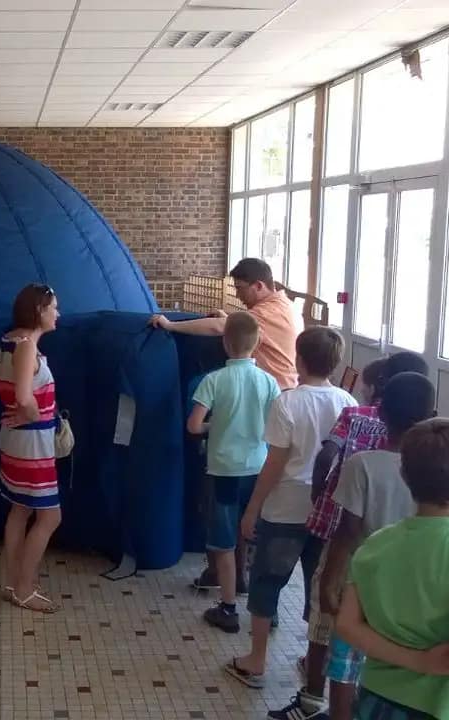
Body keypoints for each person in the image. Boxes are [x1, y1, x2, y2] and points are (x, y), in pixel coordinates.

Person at [280, 353, 431, 719]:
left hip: (356, 575)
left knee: (336, 645)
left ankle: (314, 700)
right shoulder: (430, 468)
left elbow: (347, 532)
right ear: (430, 416)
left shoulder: (362, 465)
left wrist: (330, 579)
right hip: (403, 577)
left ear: (381, 412)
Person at [337, 418, 449, 720]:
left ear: (405, 476)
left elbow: (347, 626)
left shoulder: (375, 545)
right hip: (440, 706)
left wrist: (418, 661)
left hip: (374, 700)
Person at [225, 326, 356, 689]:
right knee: (321, 585)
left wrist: (252, 508)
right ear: (336, 363)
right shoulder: (348, 402)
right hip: (328, 511)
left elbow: (275, 463)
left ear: (299, 360)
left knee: (268, 580)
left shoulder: (288, 403)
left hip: (285, 509)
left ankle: (256, 660)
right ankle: (314, 660)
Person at [185, 311, 281, 633]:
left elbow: (194, 426)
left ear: (225, 343)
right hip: (258, 470)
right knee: (256, 538)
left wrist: (215, 425)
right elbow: (276, 427)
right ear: (258, 343)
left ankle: (228, 608)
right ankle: (266, 609)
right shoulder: (269, 381)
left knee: (224, 543)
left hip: (223, 470)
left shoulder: (213, 380)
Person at [0, 283, 63, 613]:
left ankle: (14, 583)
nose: (58, 313)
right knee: (50, 516)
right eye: (54, 308)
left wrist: (14, 408)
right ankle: (23, 588)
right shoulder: (26, 346)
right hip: (31, 444)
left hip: (16, 440)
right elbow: (23, 396)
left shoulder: (9, 340)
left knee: (19, 510)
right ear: (39, 311)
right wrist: (28, 413)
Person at [148, 258, 301, 389]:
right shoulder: (282, 303)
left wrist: (170, 325)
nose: (238, 295)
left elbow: (217, 328)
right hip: (280, 382)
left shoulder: (267, 312)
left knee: (198, 386)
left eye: (240, 288)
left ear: (259, 286)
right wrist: (227, 318)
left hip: (273, 387)